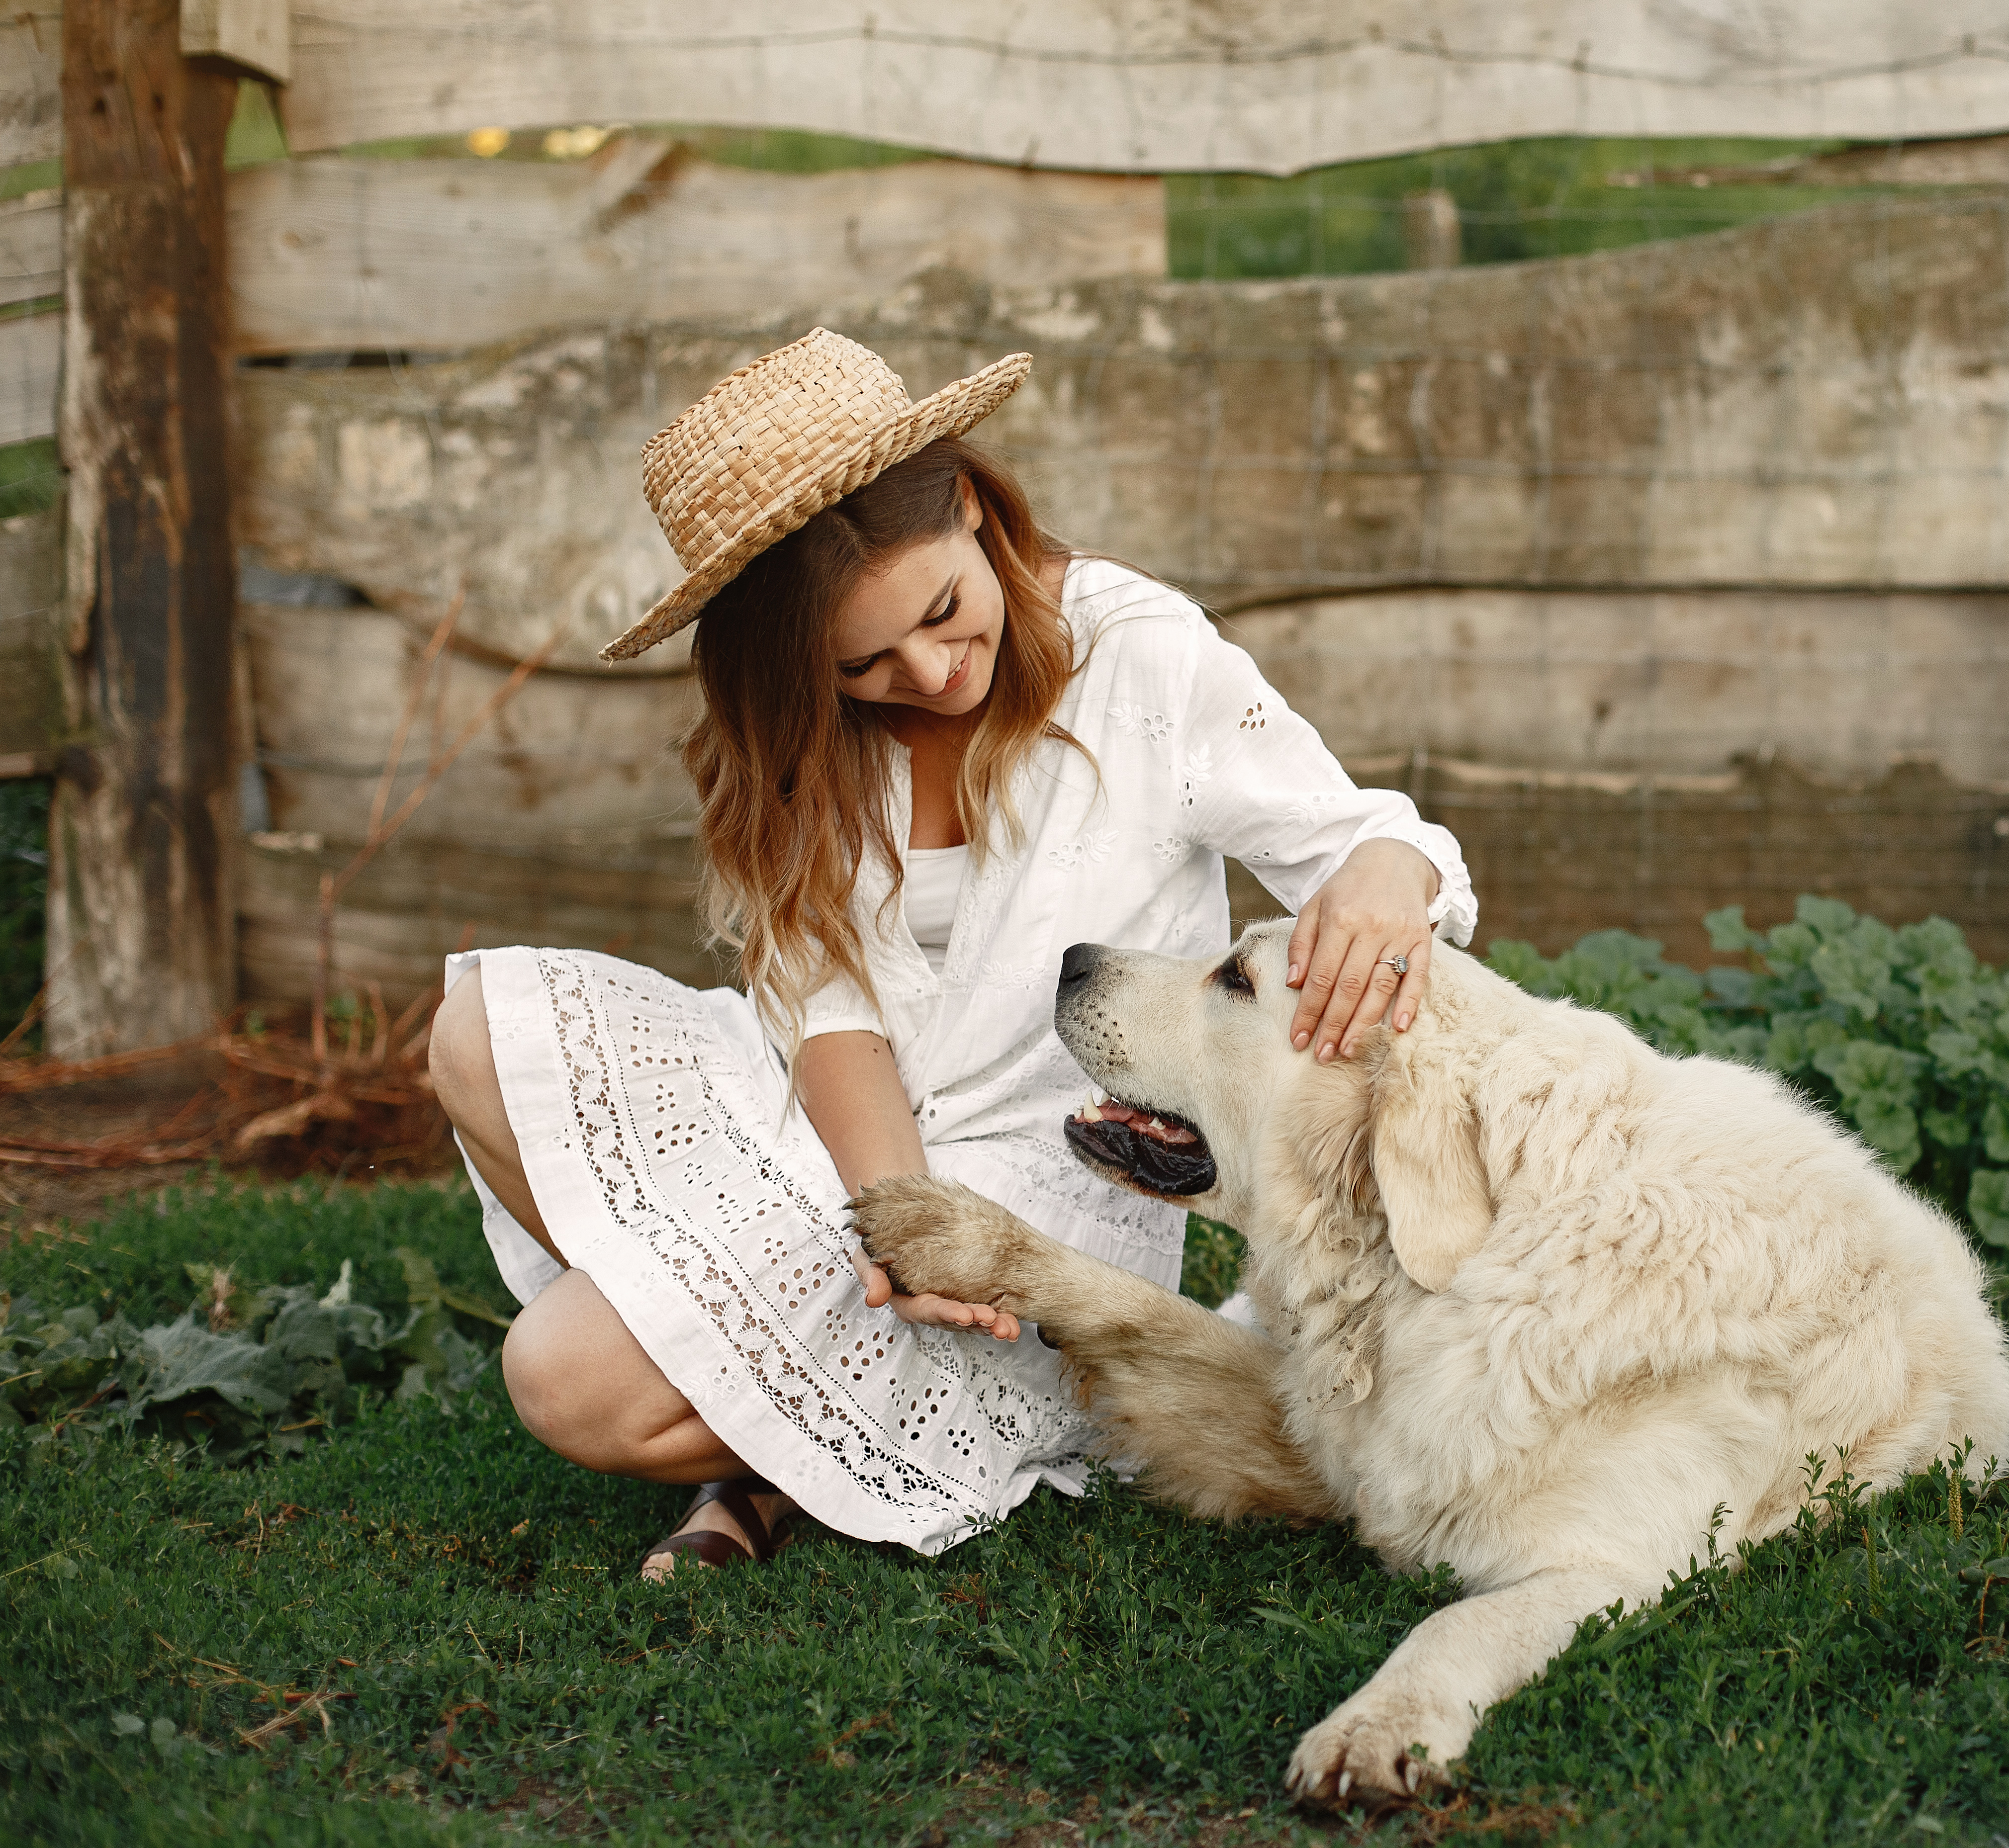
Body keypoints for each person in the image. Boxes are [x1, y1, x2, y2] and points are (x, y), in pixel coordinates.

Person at [428, 332, 1474, 1579]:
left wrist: (1386, 868)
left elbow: (1363, 841)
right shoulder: (805, 740)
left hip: (1038, 1178)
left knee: (565, 1378)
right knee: (474, 1027)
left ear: (974, 508)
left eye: (941, 612)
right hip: (838, 1122)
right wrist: (895, 1225)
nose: (928, 674)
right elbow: (830, 1012)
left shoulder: (1138, 653)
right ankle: (800, 1408)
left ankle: (776, 1454)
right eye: (862, 665)